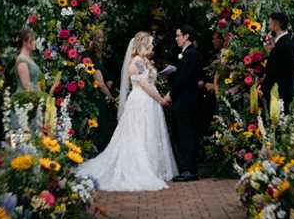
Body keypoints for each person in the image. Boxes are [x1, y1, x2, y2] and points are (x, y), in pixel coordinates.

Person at [76, 32, 177, 191]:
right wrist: (160, 99)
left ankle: (153, 166)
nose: (151, 47)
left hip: (148, 100)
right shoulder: (136, 62)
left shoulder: (143, 61)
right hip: (141, 101)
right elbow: (144, 83)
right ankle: (140, 167)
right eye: (149, 44)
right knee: (138, 134)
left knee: (148, 133)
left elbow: (150, 81)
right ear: (141, 45)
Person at [164, 25, 202, 182]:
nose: (176, 38)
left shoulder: (191, 54)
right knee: (184, 133)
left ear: (186, 36)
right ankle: (186, 168)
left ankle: (189, 170)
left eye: (178, 35)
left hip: (186, 100)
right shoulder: (186, 53)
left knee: (186, 134)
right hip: (186, 99)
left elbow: (183, 78)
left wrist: (171, 95)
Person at [261, 12, 294, 114]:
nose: (268, 27)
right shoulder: (284, 43)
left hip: (280, 94)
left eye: (269, 24)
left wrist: (262, 89)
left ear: (276, 25)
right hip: (283, 91)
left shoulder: (283, 45)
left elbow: (274, 72)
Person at [89, 29, 116, 151]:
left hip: (104, 94)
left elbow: (106, 76)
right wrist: (111, 98)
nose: (101, 40)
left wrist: (109, 80)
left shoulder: (103, 56)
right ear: (93, 40)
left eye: (102, 38)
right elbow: (99, 82)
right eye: (98, 38)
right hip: (97, 96)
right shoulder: (90, 56)